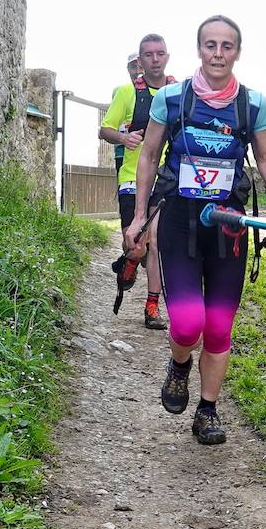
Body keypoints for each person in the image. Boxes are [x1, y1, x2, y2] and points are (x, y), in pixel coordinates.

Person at [126, 16, 266, 445]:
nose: (218, 54)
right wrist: (139, 216)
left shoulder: (253, 105)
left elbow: (265, 157)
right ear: (198, 49)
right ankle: (180, 364)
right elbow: (148, 156)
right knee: (186, 324)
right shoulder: (171, 98)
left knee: (219, 326)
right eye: (210, 45)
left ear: (237, 52)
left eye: (227, 46)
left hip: (228, 226)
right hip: (180, 221)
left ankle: (207, 410)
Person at [102, 36, 174, 329]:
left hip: (167, 179)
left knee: (157, 243)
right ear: (139, 62)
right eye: (148, 55)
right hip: (132, 178)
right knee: (137, 247)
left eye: (159, 54)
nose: (155, 60)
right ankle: (131, 260)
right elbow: (105, 129)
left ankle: (152, 307)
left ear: (167, 57)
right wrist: (123, 137)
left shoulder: (177, 92)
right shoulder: (126, 92)